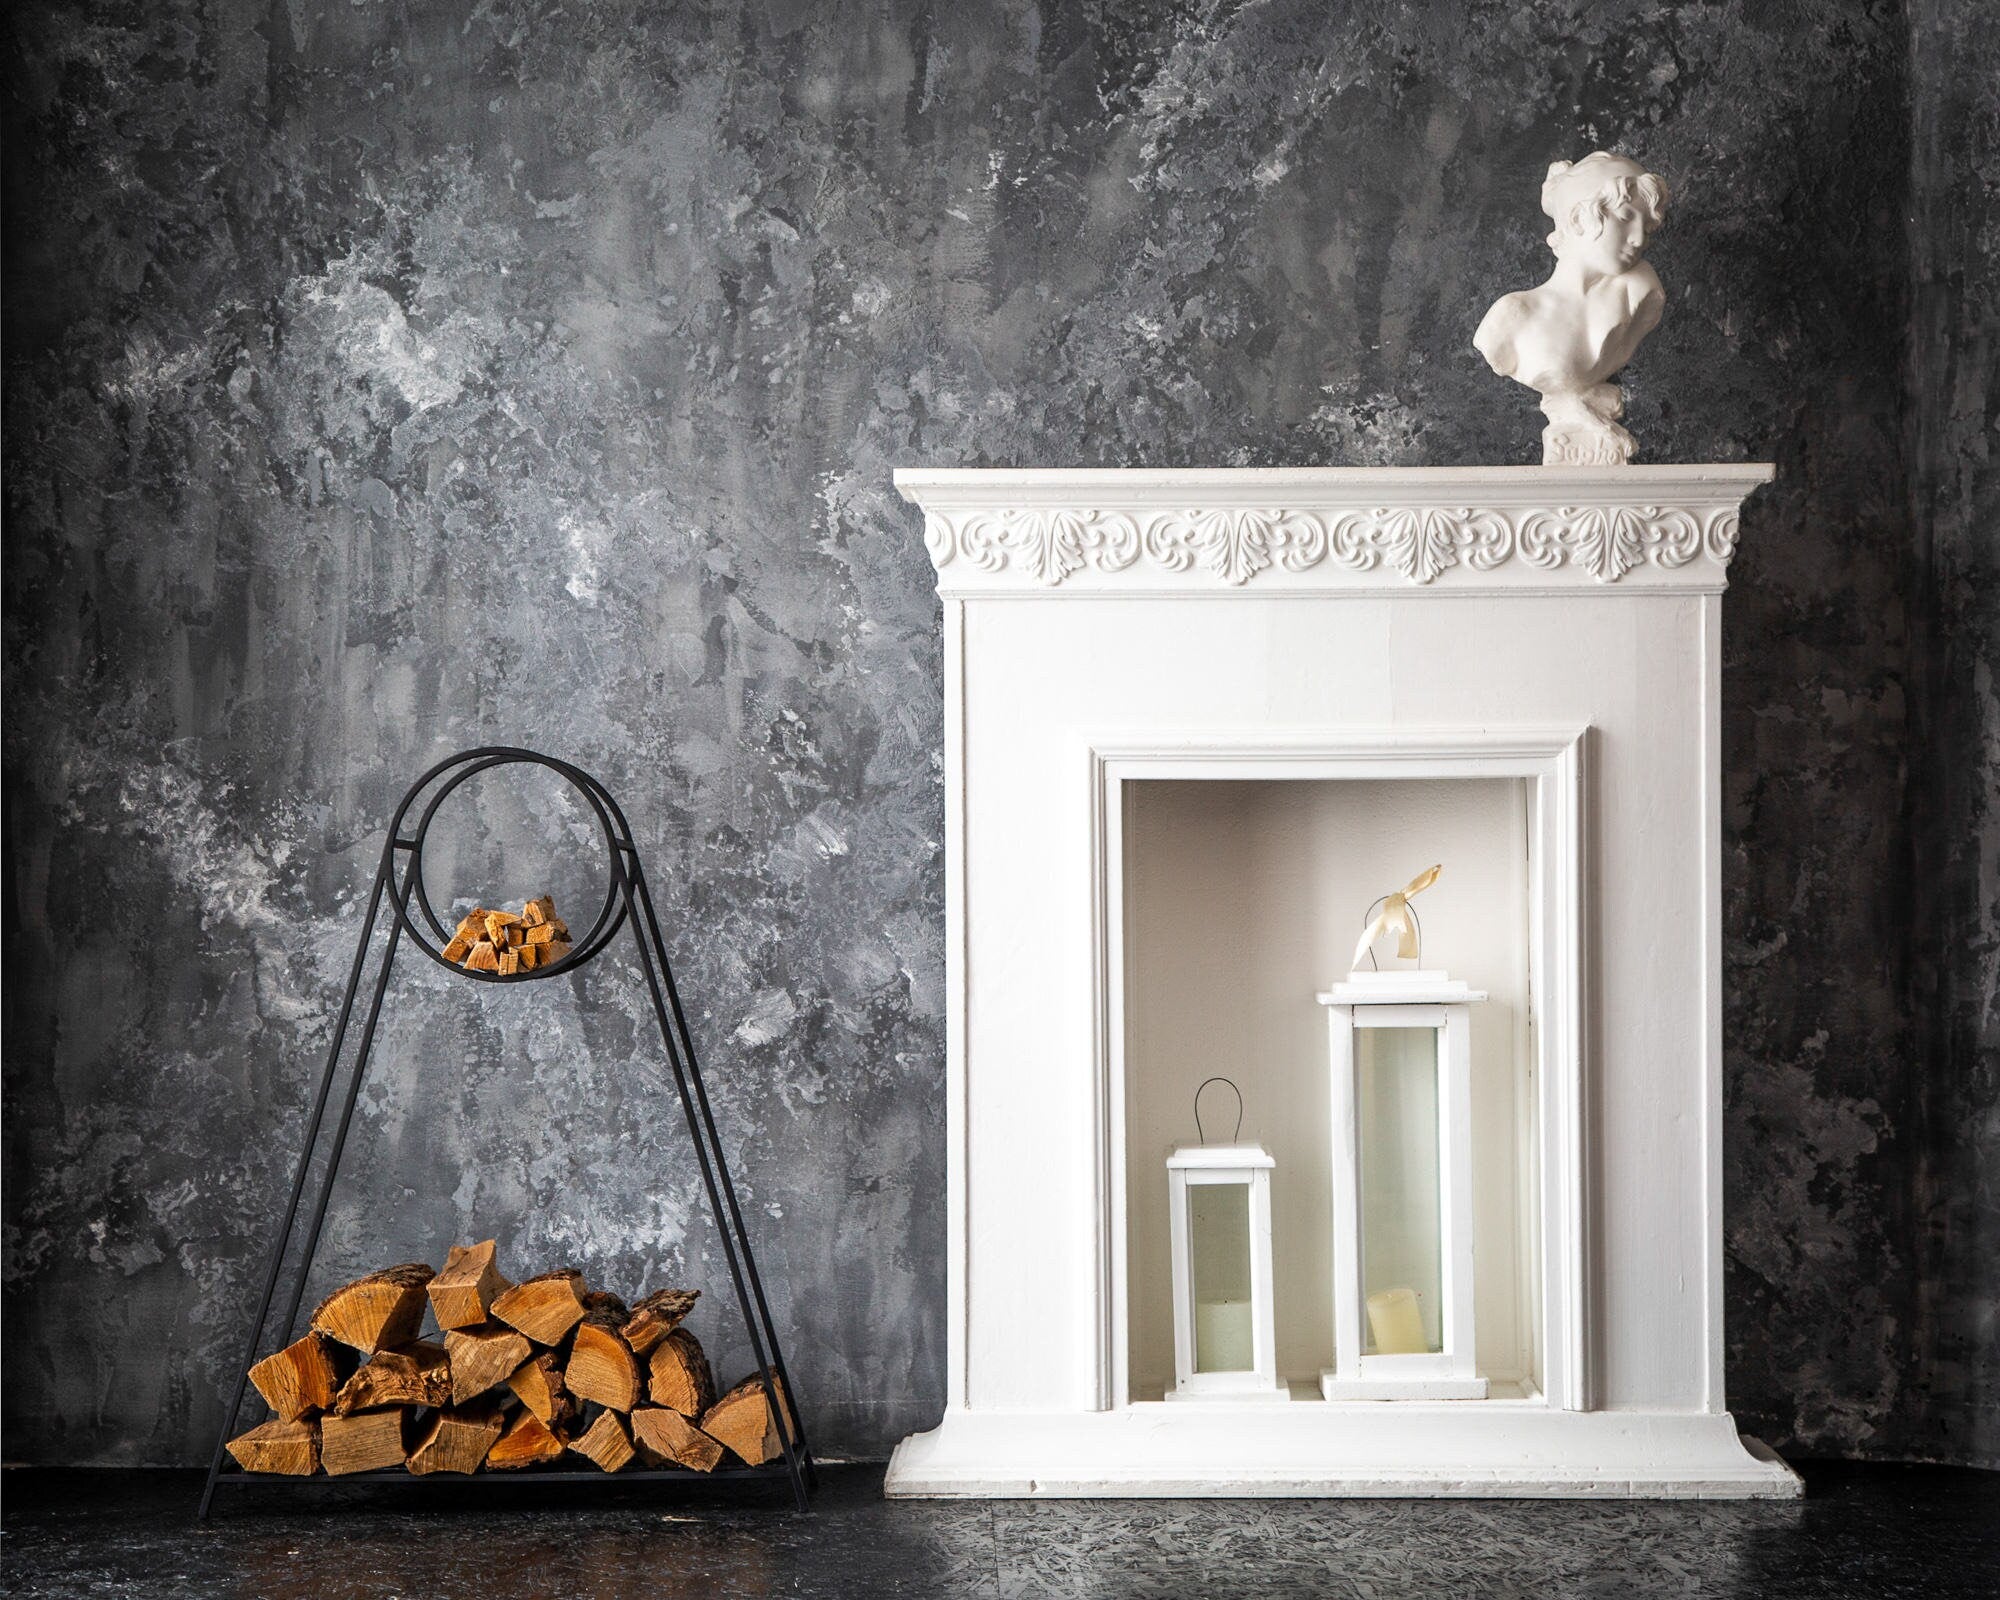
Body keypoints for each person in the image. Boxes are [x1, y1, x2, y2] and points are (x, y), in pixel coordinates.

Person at [1473, 152, 1669, 464]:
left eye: (1646, 226)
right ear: (1579, 219)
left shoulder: (1642, 291)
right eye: (1625, 217)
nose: (1638, 239)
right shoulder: (1513, 316)